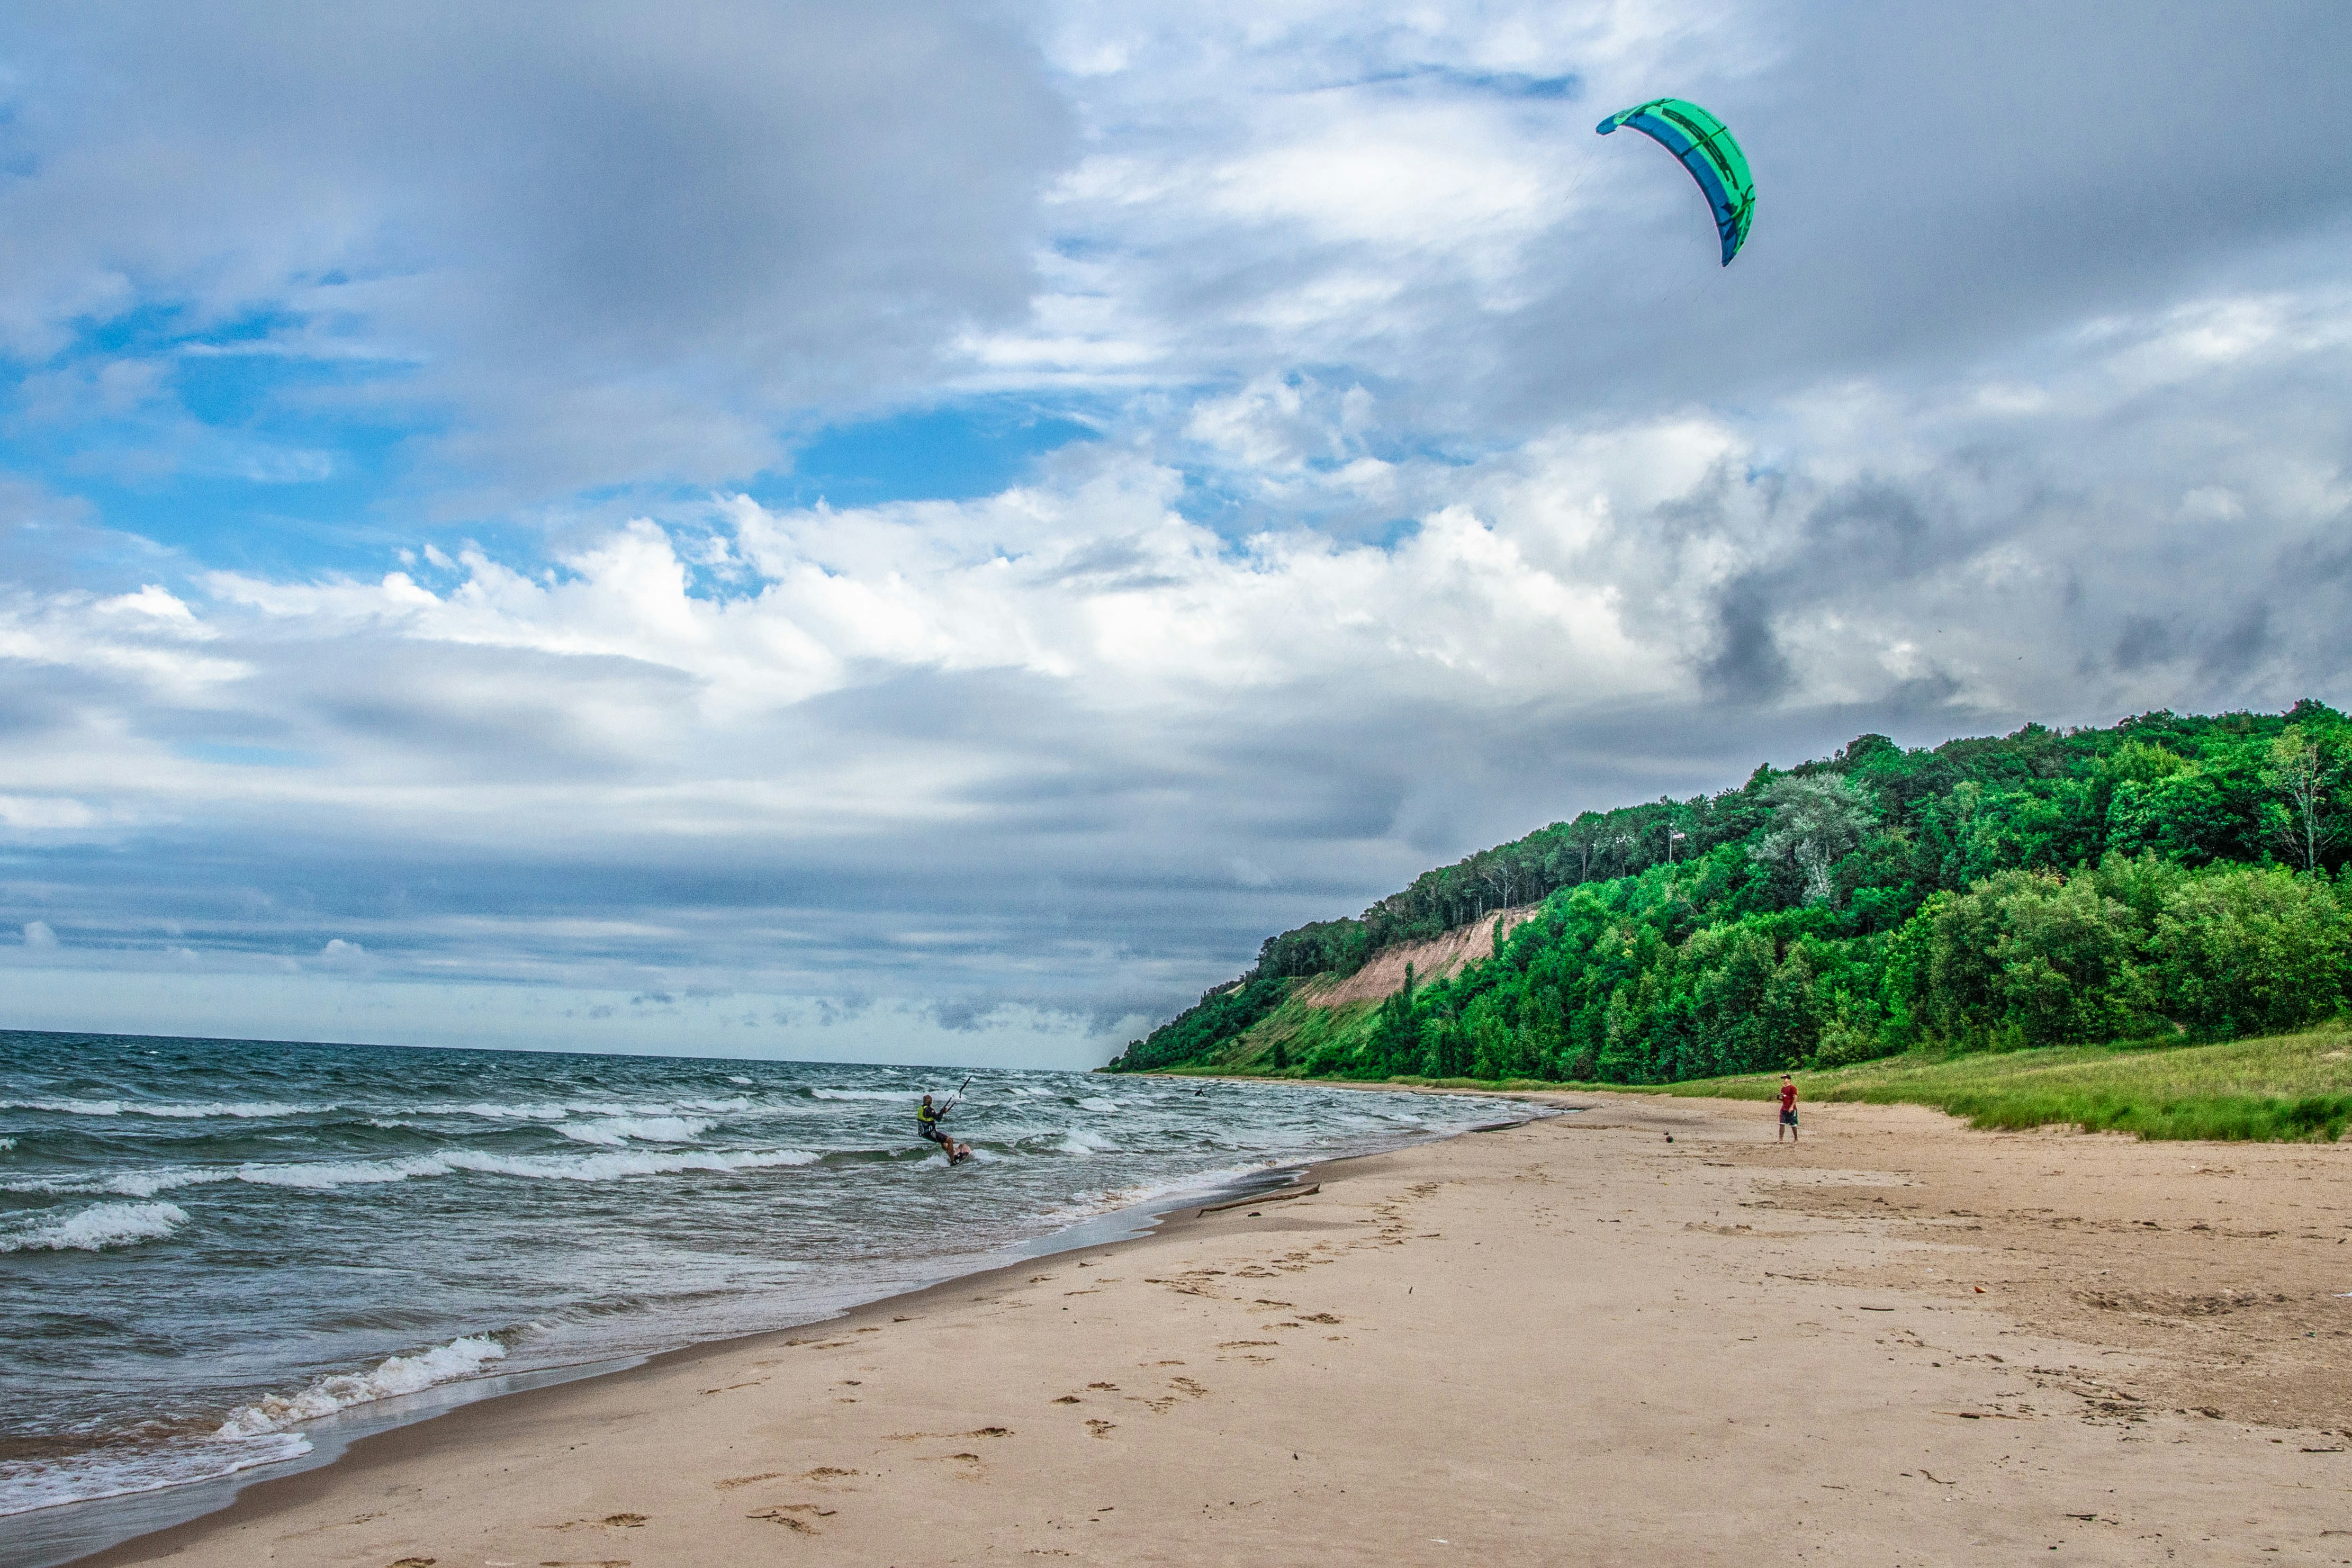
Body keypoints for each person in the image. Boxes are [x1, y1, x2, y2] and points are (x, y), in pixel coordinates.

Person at [916, 1093, 970, 1164]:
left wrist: (942, 1112)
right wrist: (942, 1112)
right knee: (950, 1141)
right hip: (931, 1134)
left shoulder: (921, 1108)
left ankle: (951, 1154)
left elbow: (934, 1116)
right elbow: (938, 1119)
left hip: (923, 1133)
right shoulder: (929, 1109)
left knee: (943, 1141)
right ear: (930, 1102)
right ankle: (953, 1161)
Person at [1776, 1074, 1799, 1142]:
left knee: (1793, 1124)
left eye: (1785, 1079)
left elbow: (1795, 1098)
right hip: (1784, 1109)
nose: (1784, 1081)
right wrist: (1779, 1099)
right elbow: (1784, 1099)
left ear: (1789, 1080)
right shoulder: (1783, 1089)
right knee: (1782, 1124)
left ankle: (1796, 1139)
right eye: (1784, 1079)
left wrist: (1792, 1107)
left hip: (1791, 1109)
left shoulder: (1793, 1088)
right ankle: (1781, 1139)